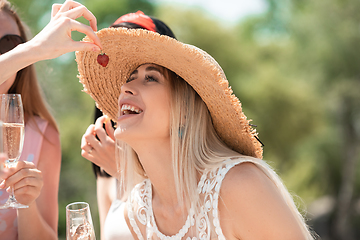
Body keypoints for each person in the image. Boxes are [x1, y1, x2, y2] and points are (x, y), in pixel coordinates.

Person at [76, 27, 316, 239]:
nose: (126, 87)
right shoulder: (134, 214)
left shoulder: (239, 185)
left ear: (185, 112)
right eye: (130, 78)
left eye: (150, 78)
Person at [0, 0, 101, 239]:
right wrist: (36, 49)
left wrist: (27, 204)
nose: (6, 56)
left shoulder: (43, 135)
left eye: (10, 45)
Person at [81, 11, 176, 240]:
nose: (128, 87)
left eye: (150, 77)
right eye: (125, 76)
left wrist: (126, 172)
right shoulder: (105, 157)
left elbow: (181, 223)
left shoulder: (189, 159)